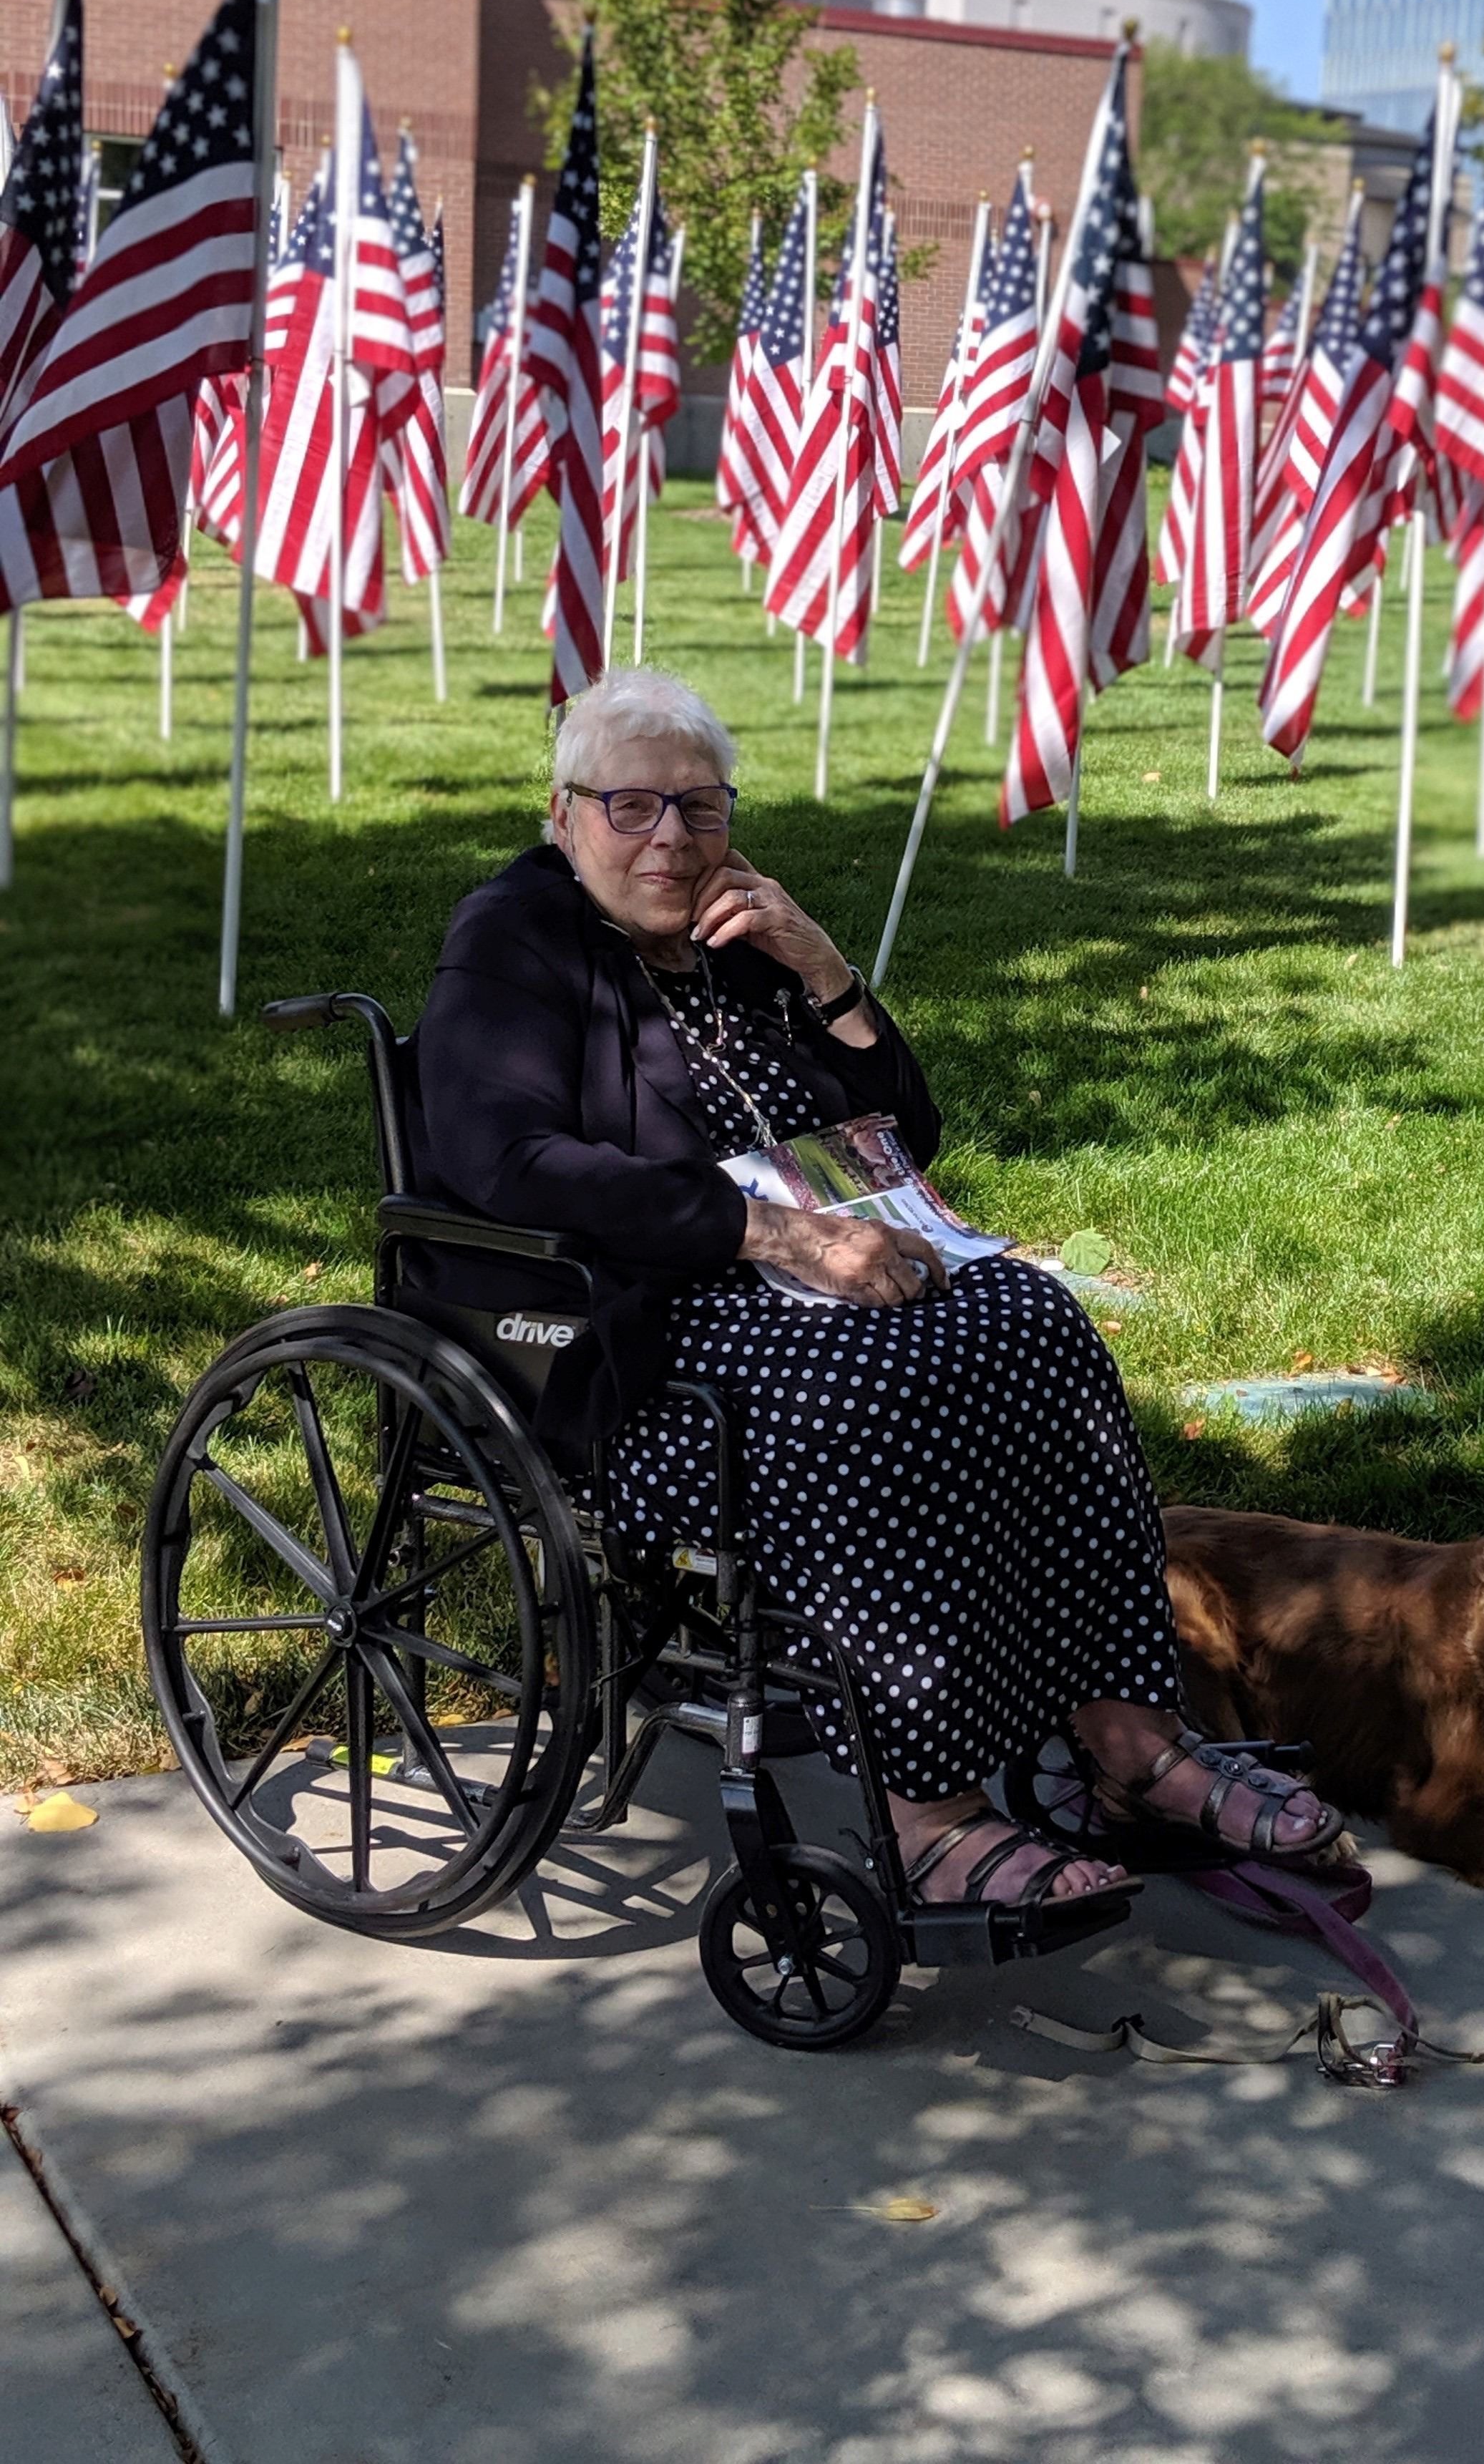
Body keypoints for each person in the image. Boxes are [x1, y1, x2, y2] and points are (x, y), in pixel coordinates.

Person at [411, 668, 1337, 1913]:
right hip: (629, 1330)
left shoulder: (733, 937)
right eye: (631, 808)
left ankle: (1127, 1735)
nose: (672, 840)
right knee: (881, 1385)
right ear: (563, 810)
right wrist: (769, 1236)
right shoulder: (514, 938)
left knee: (1037, 1327)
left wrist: (823, 965)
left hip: (798, 1281)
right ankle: (926, 1811)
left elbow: (906, 1129)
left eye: (703, 808)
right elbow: (503, 1160)